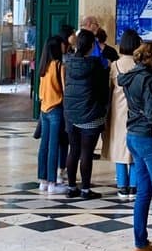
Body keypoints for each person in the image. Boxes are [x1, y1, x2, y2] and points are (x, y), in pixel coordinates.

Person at [120, 40, 152, 251]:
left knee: (144, 191)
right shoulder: (148, 79)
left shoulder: (130, 76)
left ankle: (140, 243)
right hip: (148, 137)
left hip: (133, 135)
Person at [61, 29, 110, 199]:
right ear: (91, 46)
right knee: (86, 153)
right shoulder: (95, 64)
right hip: (90, 113)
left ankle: (71, 187)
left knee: (73, 150)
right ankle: (85, 190)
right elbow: (103, 90)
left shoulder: (69, 62)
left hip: (71, 113)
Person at [104, 29, 140, 201]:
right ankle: (134, 185)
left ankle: (122, 186)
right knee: (135, 150)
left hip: (118, 112)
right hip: (136, 112)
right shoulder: (140, 65)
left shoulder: (115, 65)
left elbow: (109, 90)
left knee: (119, 147)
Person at [37, 32, 69, 194]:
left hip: (44, 109)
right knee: (54, 146)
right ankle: (52, 183)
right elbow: (65, 89)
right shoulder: (59, 66)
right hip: (56, 109)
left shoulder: (43, 66)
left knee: (44, 145)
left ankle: (43, 180)